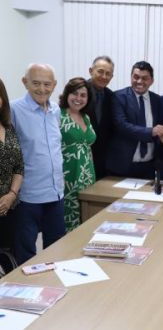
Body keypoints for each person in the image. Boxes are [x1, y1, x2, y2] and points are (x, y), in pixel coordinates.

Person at [11, 64, 65, 265]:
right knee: (26, 254)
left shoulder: (56, 110)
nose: (42, 89)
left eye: (47, 84)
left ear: (54, 85)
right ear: (24, 82)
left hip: (56, 193)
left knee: (57, 250)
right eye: (36, 83)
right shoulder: (13, 110)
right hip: (28, 196)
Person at [106, 61, 163, 179]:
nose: (139, 81)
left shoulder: (157, 100)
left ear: (151, 81)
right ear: (131, 77)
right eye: (136, 77)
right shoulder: (118, 97)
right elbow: (121, 125)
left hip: (149, 167)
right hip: (123, 166)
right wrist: (151, 132)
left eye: (144, 78)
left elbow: (161, 126)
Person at [59, 77, 96, 232]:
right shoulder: (58, 116)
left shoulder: (86, 118)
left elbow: (87, 147)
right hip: (67, 177)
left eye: (83, 95)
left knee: (87, 220)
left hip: (87, 175)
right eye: (75, 94)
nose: (78, 99)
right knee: (69, 222)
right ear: (67, 94)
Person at [0, 78, 24, 254]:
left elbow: (19, 166)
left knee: (10, 258)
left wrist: (11, 195)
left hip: (10, 206)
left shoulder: (8, 128)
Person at [87, 55, 115, 179]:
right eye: (100, 71)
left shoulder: (112, 96)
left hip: (102, 161)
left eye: (108, 74)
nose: (104, 77)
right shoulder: (78, 92)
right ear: (90, 71)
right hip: (80, 156)